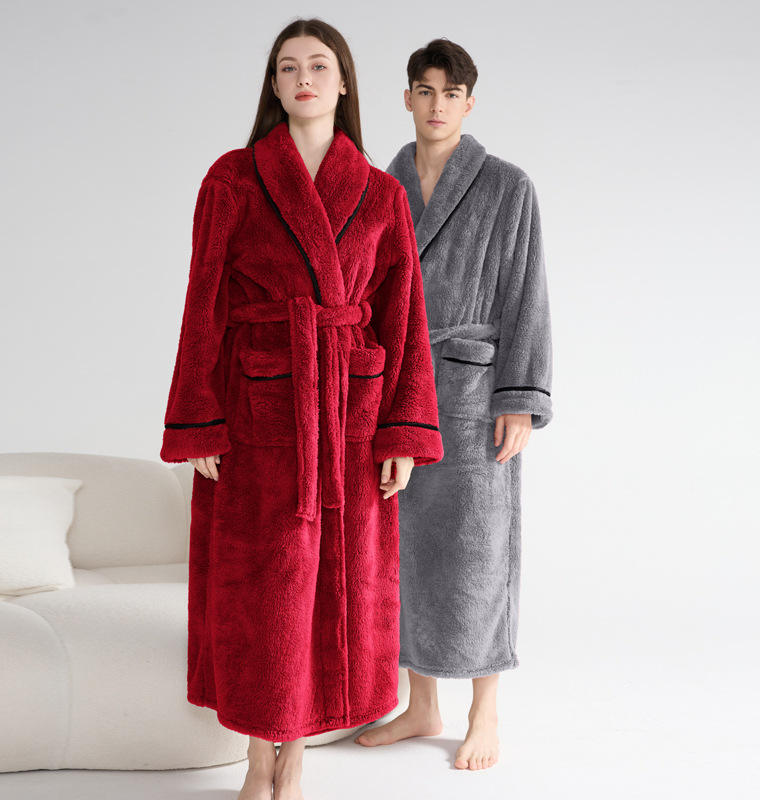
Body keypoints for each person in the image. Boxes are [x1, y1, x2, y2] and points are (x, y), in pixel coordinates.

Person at [159, 19, 443, 800]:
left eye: (319, 66)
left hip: (351, 411)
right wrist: (199, 417)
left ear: (344, 82)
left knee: (333, 591)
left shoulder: (381, 193)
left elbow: (403, 315)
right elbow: (203, 302)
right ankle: (262, 755)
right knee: (267, 590)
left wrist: (404, 430)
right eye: (288, 68)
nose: (304, 78)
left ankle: (301, 757)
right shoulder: (232, 179)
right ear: (274, 86)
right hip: (260, 405)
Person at [354, 38, 553, 772]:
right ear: (406, 97)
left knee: (475, 551)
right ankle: (421, 704)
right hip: (395, 393)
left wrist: (519, 397)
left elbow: (526, 293)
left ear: (470, 103)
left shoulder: (507, 186)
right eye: (425, 90)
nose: (437, 105)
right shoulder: (380, 186)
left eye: (451, 93)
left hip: (470, 393)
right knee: (402, 550)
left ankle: (484, 711)